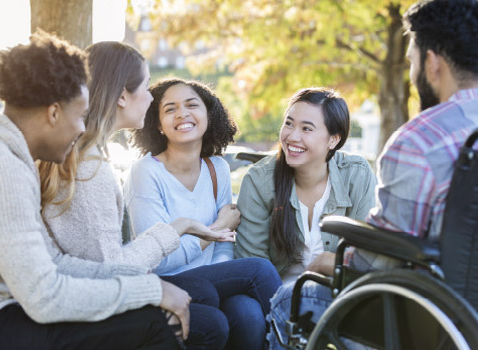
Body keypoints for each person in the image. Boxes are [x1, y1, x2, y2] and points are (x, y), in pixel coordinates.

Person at [268, 0, 478, 348]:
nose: (412, 74)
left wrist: (334, 260)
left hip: (431, 318)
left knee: (286, 300)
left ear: (431, 62)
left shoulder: (421, 141)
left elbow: (382, 262)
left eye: (411, 62)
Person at [0, 31, 184, 350]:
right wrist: (152, 292)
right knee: (151, 322)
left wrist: (148, 284)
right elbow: (44, 297)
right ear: (53, 113)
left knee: (148, 313)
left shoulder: (8, 157)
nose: (83, 128)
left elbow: (53, 261)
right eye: (80, 116)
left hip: (5, 313)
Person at [38, 41, 237, 349]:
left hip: (84, 290)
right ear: (121, 96)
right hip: (80, 301)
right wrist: (178, 232)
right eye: (145, 88)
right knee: (213, 320)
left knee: (208, 301)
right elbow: (109, 269)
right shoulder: (89, 167)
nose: (150, 98)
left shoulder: (83, 154)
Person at [126, 78, 282, 350]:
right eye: (170, 109)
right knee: (259, 269)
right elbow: (159, 260)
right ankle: (296, 341)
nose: (182, 113)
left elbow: (225, 247)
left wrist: (218, 276)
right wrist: (217, 227)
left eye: (191, 105)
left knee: (248, 315)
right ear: (158, 124)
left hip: (211, 279)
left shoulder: (216, 168)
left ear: (208, 115)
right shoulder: (146, 172)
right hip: (165, 282)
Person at [235, 87, 376, 283]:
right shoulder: (259, 180)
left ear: (333, 140)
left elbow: (366, 257)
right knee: (243, 309)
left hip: (334, 295)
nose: (292, 136)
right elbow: (252, 264)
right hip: (271, 295)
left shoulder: (357, 174)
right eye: (289, 124)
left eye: (306, 128)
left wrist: (329, 262)